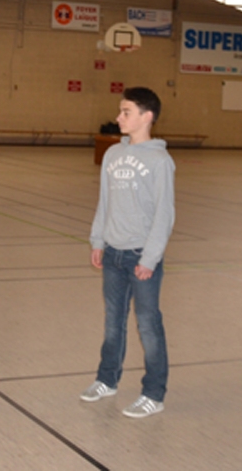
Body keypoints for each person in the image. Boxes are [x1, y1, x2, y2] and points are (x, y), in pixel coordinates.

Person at [80, 87, 175, 419]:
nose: (119, 118)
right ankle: (107, 380)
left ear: (146, 117)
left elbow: (164, 213)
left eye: (126, 112)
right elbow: (104, 202)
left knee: (148, 325)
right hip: (112, 254)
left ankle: (154, 393)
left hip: (140, 257)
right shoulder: (111, 154)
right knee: (113, 323)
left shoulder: (160, 161)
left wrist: (149, 258)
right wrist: (97, 240)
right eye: (120, 112)